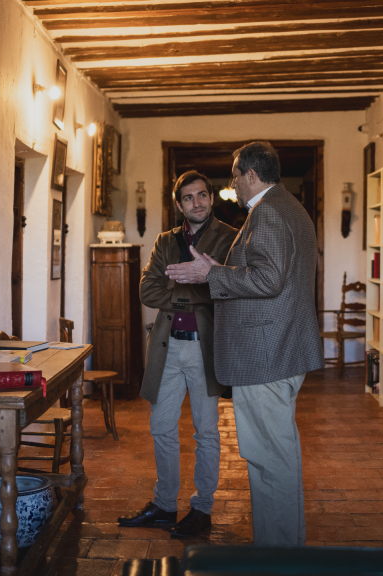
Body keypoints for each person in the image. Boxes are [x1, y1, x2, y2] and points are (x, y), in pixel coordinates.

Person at [165, 142, 324, 546]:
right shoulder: (287, 206)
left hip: (266, 354)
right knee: (277, 458)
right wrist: (222, 269)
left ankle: (279, 557)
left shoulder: (267, 211)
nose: (232, 184)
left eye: (235, 176)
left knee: (270, 462)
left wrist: (211, 276)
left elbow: (269, 280)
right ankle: (282, 549)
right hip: (279, 348)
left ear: (251, 175)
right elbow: (274, 274)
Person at [118, 170, 238, 538]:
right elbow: (147, 292)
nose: (196, 203)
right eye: (188, 198)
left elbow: (232, 291)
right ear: (179, 204)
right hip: (167, 347)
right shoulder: (165, 242)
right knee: (162, 427)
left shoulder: (232, 239)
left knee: (206, 431)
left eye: (202, 195)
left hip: (206, 348)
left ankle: (202, 509)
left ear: (212, 198)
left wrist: (194, 283)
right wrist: (198, 287)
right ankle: (165, 504)